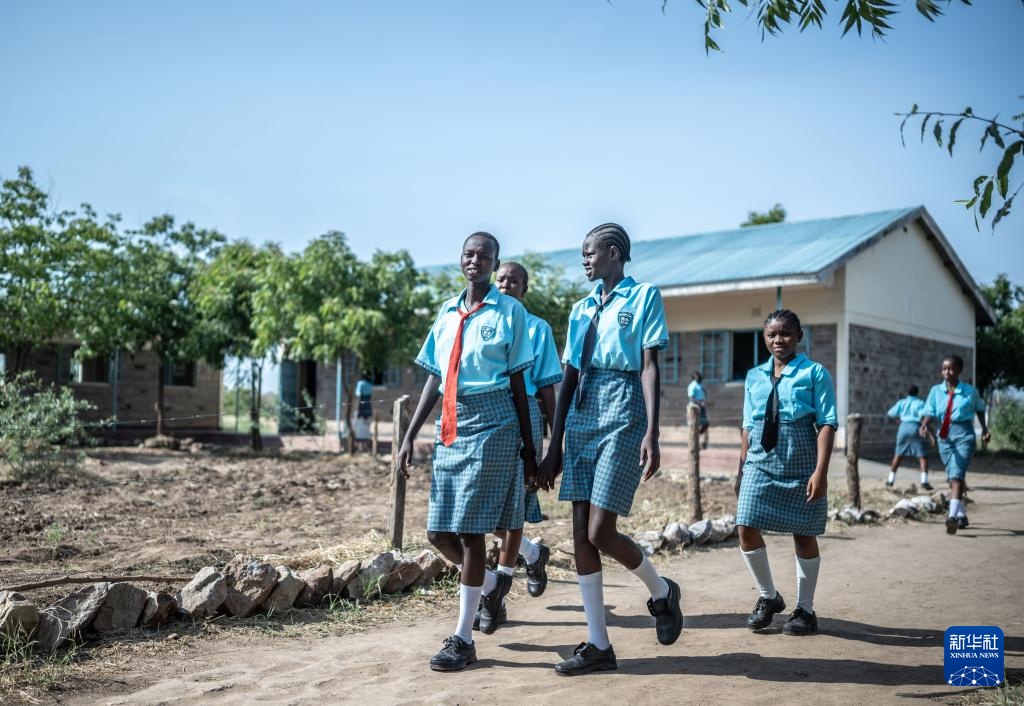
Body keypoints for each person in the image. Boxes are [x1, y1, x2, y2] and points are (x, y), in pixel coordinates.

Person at [536, 223, 683, 676]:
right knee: (580, 532)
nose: (584, 260)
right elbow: (570, 377)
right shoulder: (580, 309)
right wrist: (554, 444)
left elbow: (649, 366)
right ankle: (599, 645)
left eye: (590, 252)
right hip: (581, 411)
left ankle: (661, 592)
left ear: (614, 253)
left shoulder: (643, 298)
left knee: (602, 529)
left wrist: (652, 431)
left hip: (623, 407)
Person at [395, 232, 537, 672]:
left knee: (472, 530)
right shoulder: (446, 312)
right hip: (451, 423)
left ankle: (462, 638)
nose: (475, 261)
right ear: (461, 260)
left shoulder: (510, 312)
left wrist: (532, 448)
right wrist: (408, 436)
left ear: (495, 265)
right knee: (438, 533)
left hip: (495, 421)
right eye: (469, 254)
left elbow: (518, 384)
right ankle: (491, 583)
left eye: (484, 256)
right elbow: (435, 378)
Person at [734, 309, 836, 637]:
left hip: (802, 456)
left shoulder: (815, 373)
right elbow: (748, 426)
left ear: (799, 336)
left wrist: (820, 472)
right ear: (764, 338)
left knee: (803, 532)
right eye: (772, 335)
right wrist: (741, 468)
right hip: (760, 459)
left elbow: (827, 423)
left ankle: (805, 610)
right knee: (745, 525)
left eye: (786, 334)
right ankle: (768, 597)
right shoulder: (754, 376)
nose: (779, 340)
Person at [474, 261, 560, 633]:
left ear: (525, 287)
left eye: (515, 280)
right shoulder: (481, 321)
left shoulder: (537, 329)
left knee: (513, 511)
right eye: (502, 279)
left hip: (523, 421)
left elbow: (546, 389)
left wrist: (554, 442)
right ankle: (533, 553)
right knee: (482, 514)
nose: (507, 284)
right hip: (488, 421)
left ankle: (496, 596)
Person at [919, 355, 989, 535]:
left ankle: (951, 518)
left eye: (951, 369)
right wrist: (925, 424)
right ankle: (962, 516)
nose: (947, 372)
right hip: (944, 437)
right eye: (944, 369)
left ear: (959, 371)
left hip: (964, 435)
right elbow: (930, 411)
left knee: (956, 476)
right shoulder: (936, 391)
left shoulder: (970, 391)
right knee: (952, 477)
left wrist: (985, 430)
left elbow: (980, 410)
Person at [885, 385, 930, 489]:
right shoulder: (920, 403)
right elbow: (926, 414)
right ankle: (924, 481)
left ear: (908, 393)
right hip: (915, 427)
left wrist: (897, 421)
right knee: (922, 456)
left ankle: (890, 480)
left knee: (898, 454)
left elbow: (890, 413)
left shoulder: (902, 402)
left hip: (903, 427)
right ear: (917, 393)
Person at [687, 371, 710, 450]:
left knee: (705, 424)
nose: (699, 377)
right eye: (697, 376)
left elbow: (704, 394)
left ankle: (698, 440)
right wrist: (700, 403)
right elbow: (691, 398)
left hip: (701, 407)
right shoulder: (692, 386)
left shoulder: (700, 385)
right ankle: (694, 443)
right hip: (695, 407)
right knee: (695, 426)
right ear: (694, 377)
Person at [354, 372, 374, 451]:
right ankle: (365, 446)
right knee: (366, 426)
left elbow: (359, 396)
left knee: (359, 426)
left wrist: (357, 409)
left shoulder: (360, 383)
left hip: (361, 407)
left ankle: (360, 447)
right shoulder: (370, 385)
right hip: (368, 406)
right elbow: (369, 396)